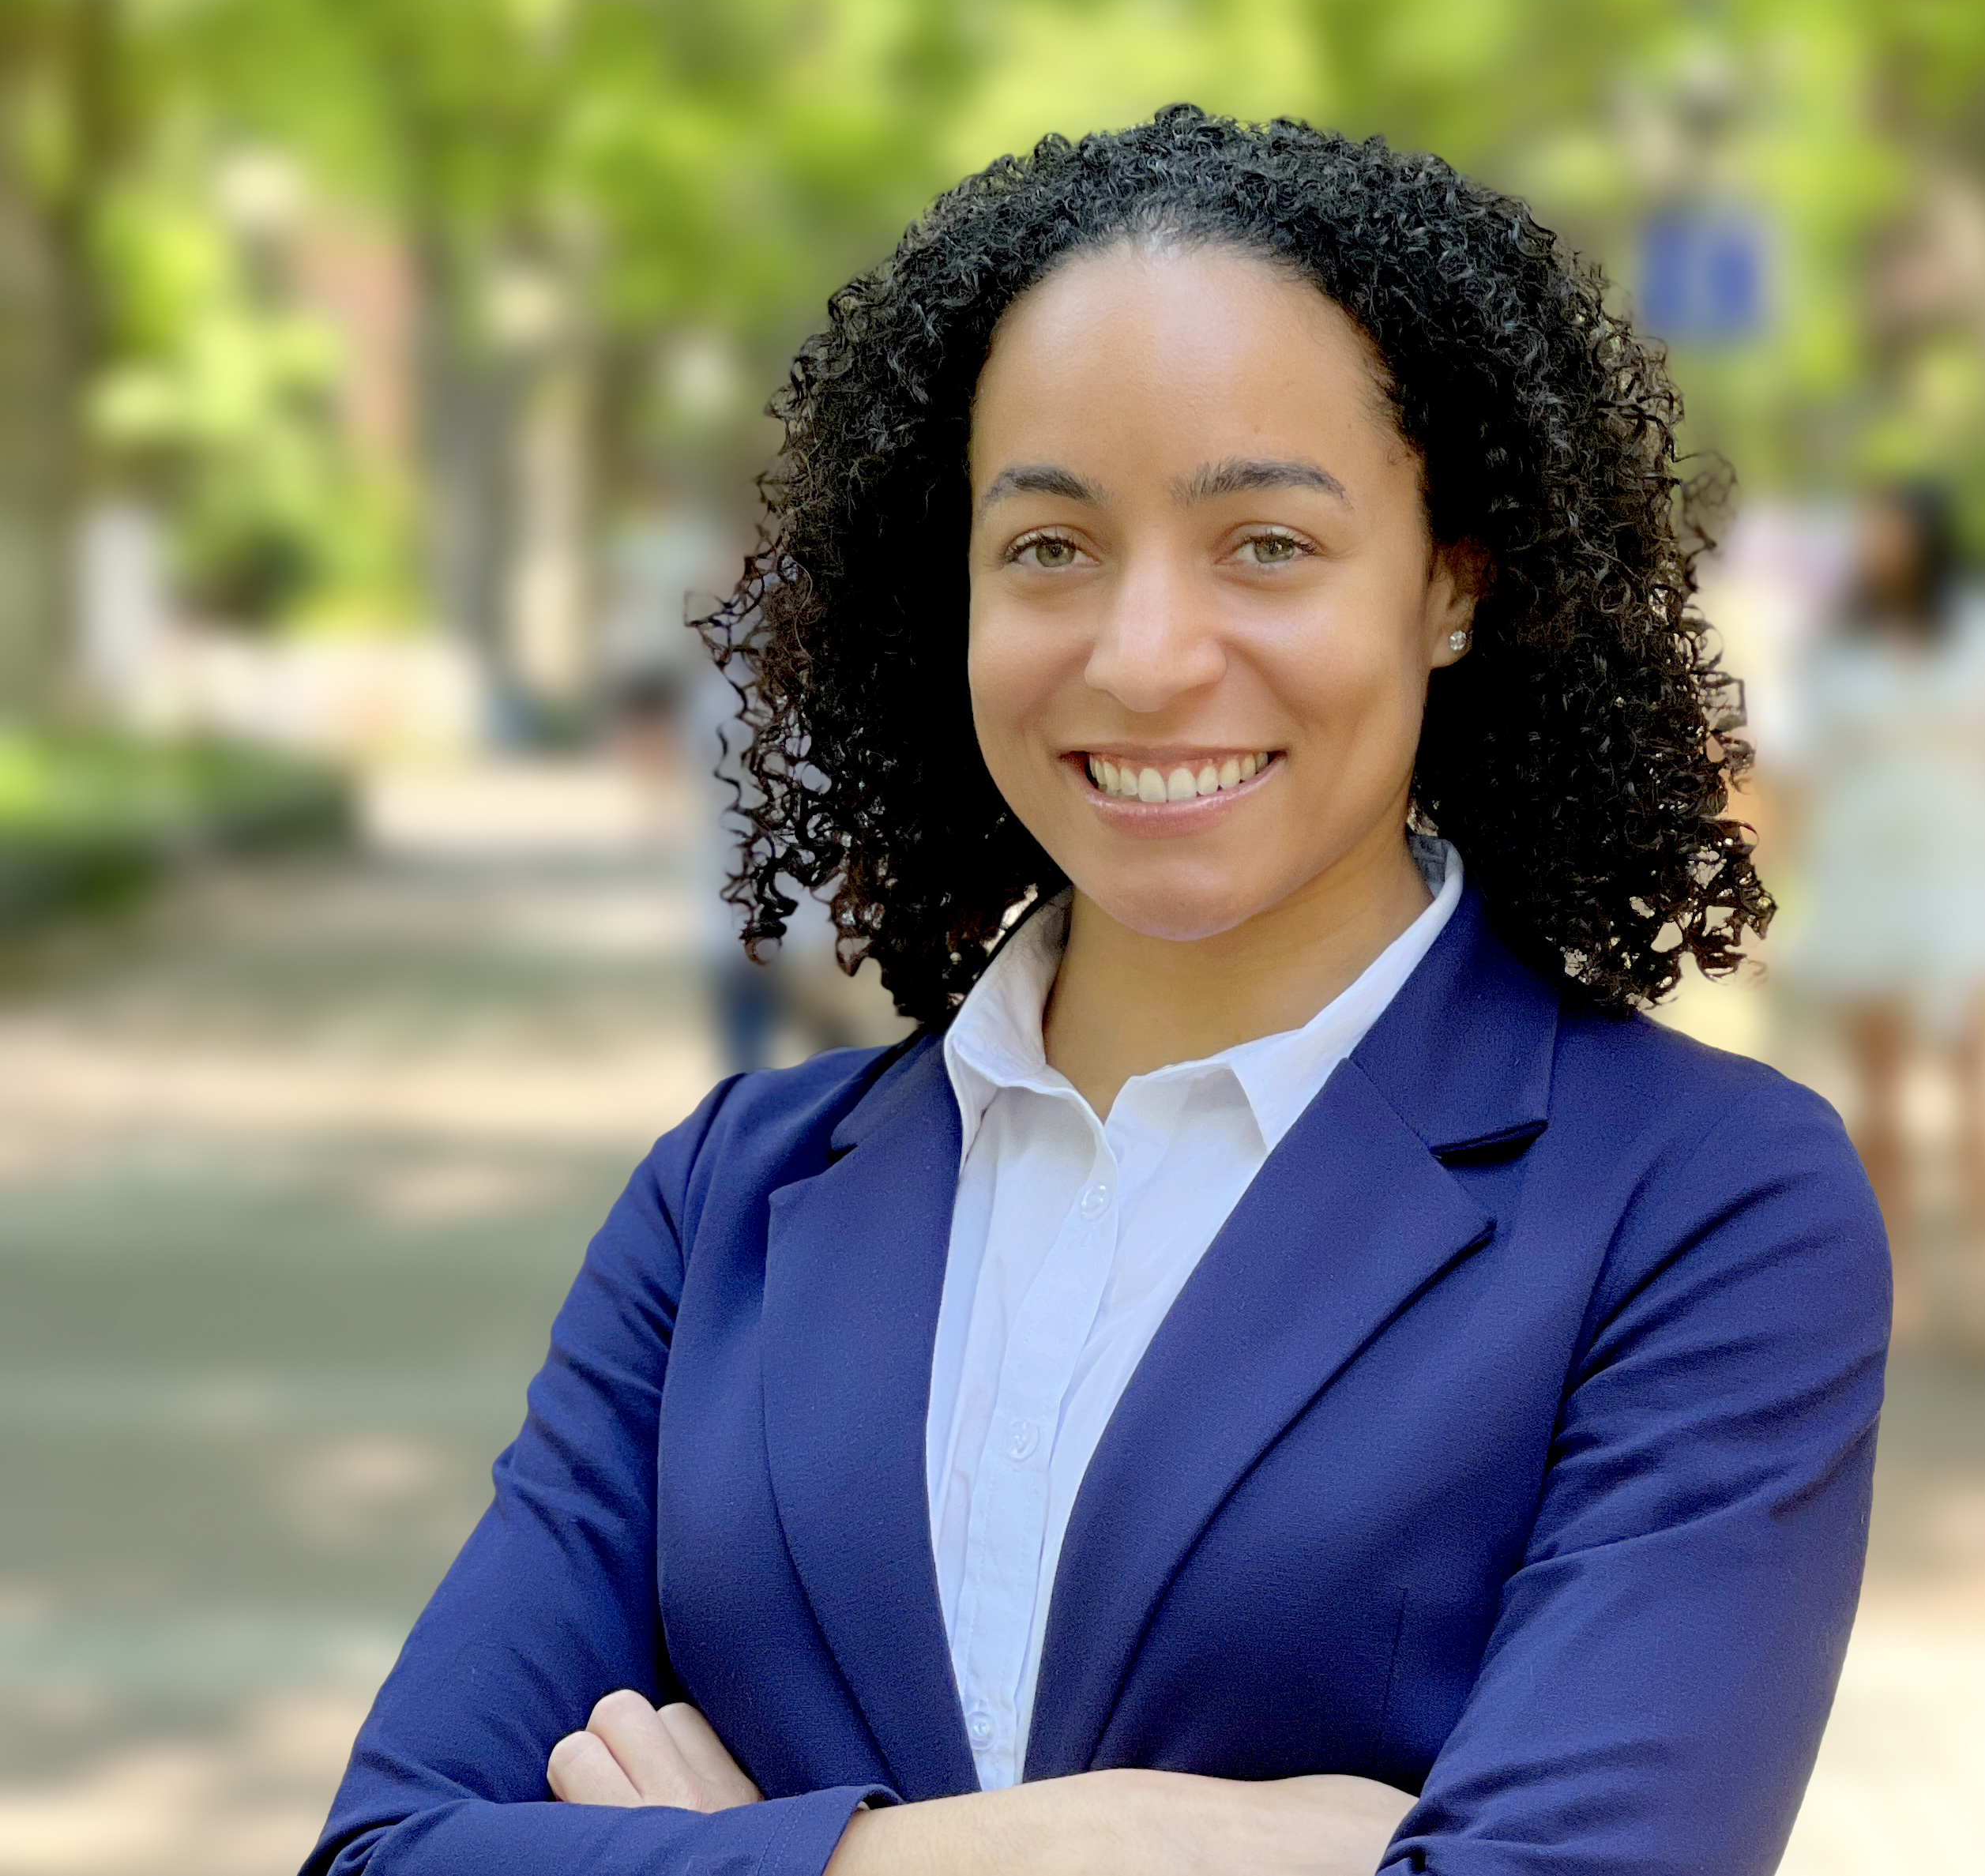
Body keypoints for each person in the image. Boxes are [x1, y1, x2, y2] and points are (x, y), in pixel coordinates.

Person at [303, 110, 1887, 1876]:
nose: (1141, 658)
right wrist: (1083, 1842)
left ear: (1447, 580)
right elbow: (387, 1850)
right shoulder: (728, 1198)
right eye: (1048, 545)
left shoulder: (1699, 1201)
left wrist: (744, 1853)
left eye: (1265, 544)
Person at [1778, 483, 1985, 1341]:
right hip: (1862, 872)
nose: (1870, 543)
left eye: (1885, 528)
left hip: (1953, 872)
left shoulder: (1968, 625)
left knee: (1970, 1077)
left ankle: (1972, 1264)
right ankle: (1887, 1270)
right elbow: (1797, 762)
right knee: (1881, 1086)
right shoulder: (1835, 645)